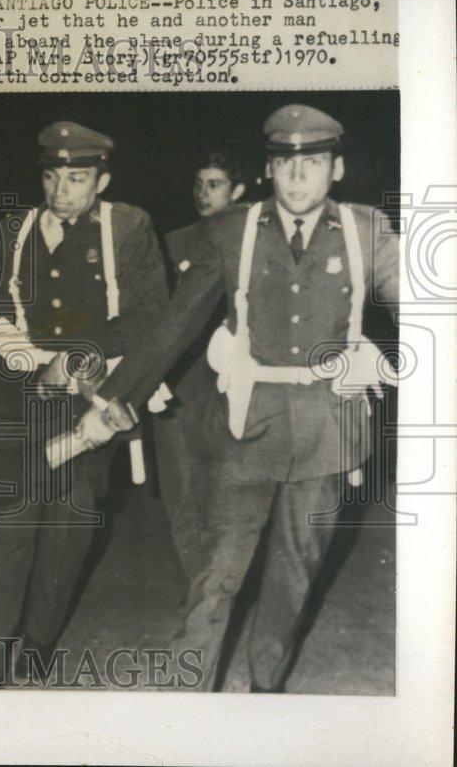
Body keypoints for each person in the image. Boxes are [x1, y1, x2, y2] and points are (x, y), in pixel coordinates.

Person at [80, 104, 399, 692]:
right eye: (286, 164)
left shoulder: (365, 231)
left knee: (294, 577)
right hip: (247, 427)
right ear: (270, 170)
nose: (298, 178)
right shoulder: (233, 232)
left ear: (338, 169)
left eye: (314, 163)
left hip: (328, 432)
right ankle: (192, 696)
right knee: (217, 573)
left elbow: (428, 305)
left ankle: (264, 693)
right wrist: (116, 396)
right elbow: (174, 325)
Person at [0, 121, 169, 683]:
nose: (61, 190)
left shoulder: (126, 228)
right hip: (21, 396)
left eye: (77, 178)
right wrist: (5, 343)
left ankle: (39, 639)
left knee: (67, 525)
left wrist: (78, 356)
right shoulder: (16, 228)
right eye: (53, 176)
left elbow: (150, 316)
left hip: (88, 399)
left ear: (102, 179)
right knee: (9, 524)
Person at [154, 151, 247, 582]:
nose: (203, 193)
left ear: (238, 190)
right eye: (198, 183)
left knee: (227, 491)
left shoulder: (251, 240)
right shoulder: (174, 242)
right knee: (181, 491)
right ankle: (197, 587)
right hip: (179, 384)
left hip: (232, 386)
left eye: (215, 184)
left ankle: (223, 586)